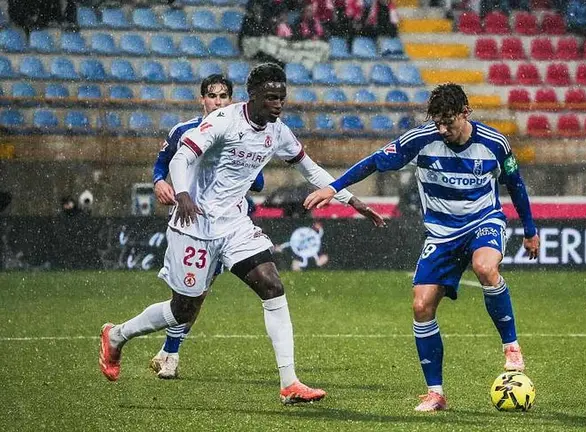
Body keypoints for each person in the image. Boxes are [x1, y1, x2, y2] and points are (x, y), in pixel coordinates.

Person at [99, 63, 386, 405]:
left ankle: (289, 383)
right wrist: (183, 193)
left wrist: (351, 199)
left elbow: (311, 170)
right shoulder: (224, 121)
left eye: (282, 97)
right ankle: (117, 335)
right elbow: (181, 158)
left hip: (235, 225)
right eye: (271, 98)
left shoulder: (278, 131)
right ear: (253, 96)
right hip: (195, 225)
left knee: (272, 285)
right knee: (182, 310)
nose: (278, 104)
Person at [304, 83, 540, 412]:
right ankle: (436, 393)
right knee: (420, 307)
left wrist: (530, 229)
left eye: (449, 122)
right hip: (441, 235)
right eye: (438, 122)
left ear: (465, 113)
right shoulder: (421, 139)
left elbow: (515, 183)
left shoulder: (494, 143)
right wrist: (334, 187)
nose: (443, 129)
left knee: (486, 268)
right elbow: (374, 161)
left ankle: (511, 346)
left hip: (483, 222)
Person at [148, 74, 266, 379]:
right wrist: (160, 182)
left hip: (224, 227)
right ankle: (145, 341)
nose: (219, 101)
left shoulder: (239, 133)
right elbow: (163, 162)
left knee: (198, 295)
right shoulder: (183, 131)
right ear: (202, 99)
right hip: (190, 223)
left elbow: (258, 181)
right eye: (213, 96)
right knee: (184, 296)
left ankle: (170, 353)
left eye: (224, 96)